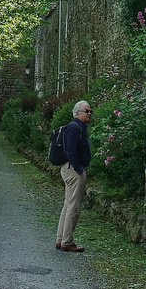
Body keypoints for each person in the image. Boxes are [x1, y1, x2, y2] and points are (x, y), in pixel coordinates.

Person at [56, 100, 91, 252]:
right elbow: (70, 151)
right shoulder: (75, 128)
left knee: (68, 205)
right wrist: (79, 169)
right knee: (73, 207)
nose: (89, 114)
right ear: (77, 113)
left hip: (71, 170)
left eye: (90, 111)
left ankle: (61, 239)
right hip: (73, 171)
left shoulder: (78, 127)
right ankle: (67, 241)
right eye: (86, 111)